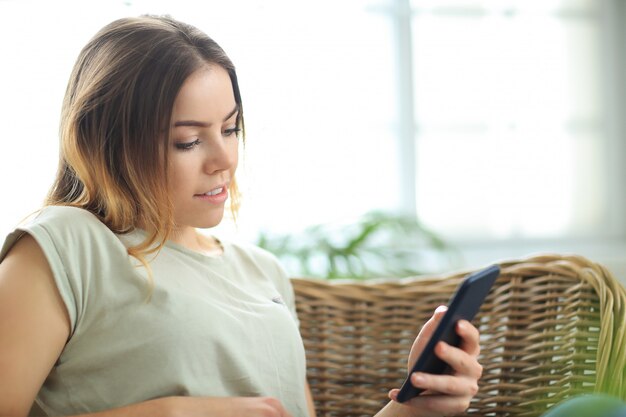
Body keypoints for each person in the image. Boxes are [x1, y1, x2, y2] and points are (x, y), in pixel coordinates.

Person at [0, 15, 483, 417]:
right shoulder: (63, 246)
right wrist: (168, 413)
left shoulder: (263, 272)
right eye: (187, 140)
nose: (224, 159)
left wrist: (417, 405)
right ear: (105, 142)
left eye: (230, 129)